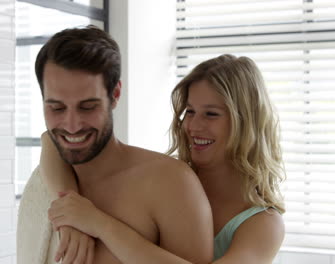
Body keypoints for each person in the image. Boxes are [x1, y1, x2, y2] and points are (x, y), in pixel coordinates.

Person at [45, 54, 286, 263]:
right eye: (189, 111)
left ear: (246, 123)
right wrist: (70, 211)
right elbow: (51, 142)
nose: (193, 125)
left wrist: (99, 225)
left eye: (211, 114)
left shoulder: (264, 224)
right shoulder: (169, 179)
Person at [16, 25, 214, 264]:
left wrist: (99, 224)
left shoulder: (170, 183)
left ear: (115, 94)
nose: (71, 125)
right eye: (56, 107)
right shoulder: (44, 182)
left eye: (88, 106)